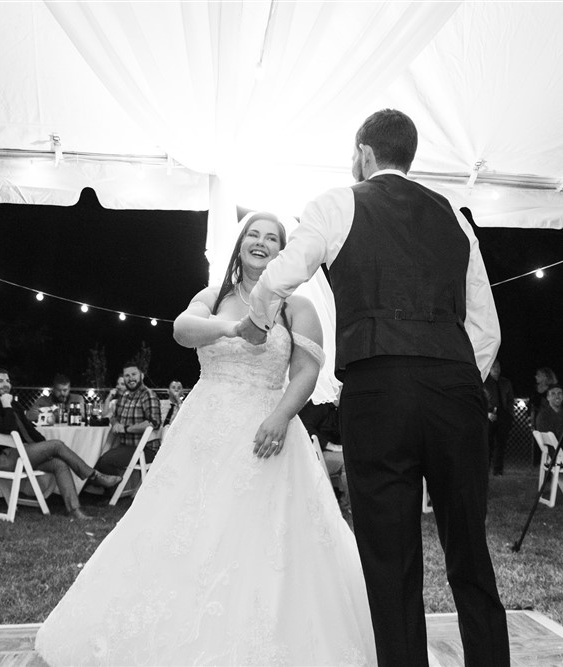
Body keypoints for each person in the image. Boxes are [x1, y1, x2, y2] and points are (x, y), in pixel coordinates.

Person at [35, 212, 377, 665]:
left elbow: (307, 372)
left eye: (271, 238)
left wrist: (279, 417)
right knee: (183, 528)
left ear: (282, 252)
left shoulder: (298, 307)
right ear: (239, 245)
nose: (260, 242)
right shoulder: (212, 297)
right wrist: (235, 326)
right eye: (253, 235)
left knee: (260, 536)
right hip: (203, 433)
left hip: (266, 431)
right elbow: (181, 329)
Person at [238, 109, 509, 666]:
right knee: (469, 551)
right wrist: (456, 376)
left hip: (379, 392)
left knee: (390, 558)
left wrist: (258, 318)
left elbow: (283, 273)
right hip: (455, 391)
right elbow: (487, 328)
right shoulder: (455, 217)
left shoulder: (338, 203)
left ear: (363, 152)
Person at [0, 369, 121, 520]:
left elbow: (29, 429)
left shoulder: (14, 405)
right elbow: (9, 428)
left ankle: (75, 510)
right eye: (0, 381)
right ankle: (94, 476)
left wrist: (45, 448)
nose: (5, 384)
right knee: (57, 445)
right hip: (6, 458)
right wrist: (6, 405)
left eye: (7, 381)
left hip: (23, 454)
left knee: (59, 463)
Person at [92, 363, 162, 490]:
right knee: (97, 455)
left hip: (145, 449)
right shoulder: (124, 397)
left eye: (134, 374)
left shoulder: (148, 395)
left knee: (105, 460)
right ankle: (94, 488)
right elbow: (113, 417)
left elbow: (154, 422)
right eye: (127, 376)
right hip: (126, 446)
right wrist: (116, 424)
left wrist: (126, 428)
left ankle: (111, 492)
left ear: (141, 375)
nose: (130, 378)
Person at [484, 359, 514, 476]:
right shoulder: (484, 383)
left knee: (501, 444)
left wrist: (510, 414)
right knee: (488, 444)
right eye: (493, 367)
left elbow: (510, 399)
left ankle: (498, 470)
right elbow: (480, 400)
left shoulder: (505, 382)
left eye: (498, 366)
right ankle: (485, 469)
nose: (496, 369)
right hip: (490, 415)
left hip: (503, 414)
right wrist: (486, 413)